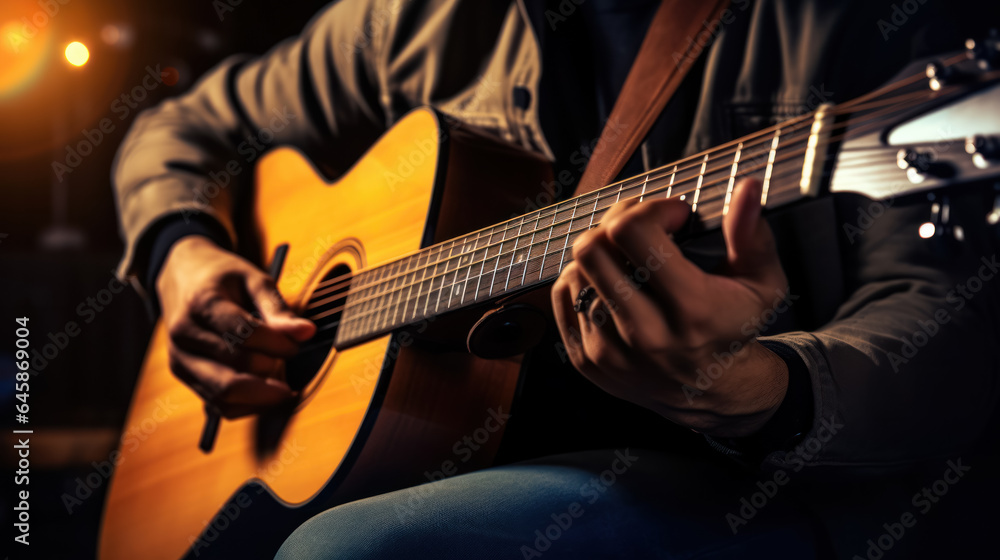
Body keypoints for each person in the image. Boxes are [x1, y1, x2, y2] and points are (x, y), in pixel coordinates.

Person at [112, 0, 1000, 557]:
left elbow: (950, 344)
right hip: (476, 452)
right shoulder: (409, 19)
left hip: (792, 486)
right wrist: (182, 257)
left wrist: (751, 390)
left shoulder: (872, 19)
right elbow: (179, 130)